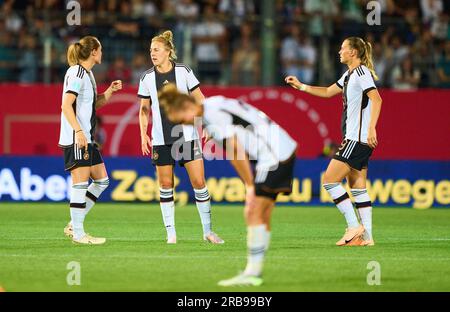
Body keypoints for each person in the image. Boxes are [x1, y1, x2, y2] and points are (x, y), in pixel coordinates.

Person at [158, 84, 298, 287]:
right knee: (262, 213)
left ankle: (252, 272)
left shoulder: (211, 117)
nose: (185, 125)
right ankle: (254, 271)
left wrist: (249, 187)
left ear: (187, 107)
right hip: (282, 146)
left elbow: (235, 152)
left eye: (181, 120)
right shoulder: (212, 103)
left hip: (273, 155)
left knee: (253, 212)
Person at [286, 37, 383, 247]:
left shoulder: (361, 73)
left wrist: (371, 128)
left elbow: (377, 99)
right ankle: (367, 237)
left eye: (343, 48)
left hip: (356, 139)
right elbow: (329, 92)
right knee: (358, 186)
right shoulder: (349, 75)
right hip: (359, 141)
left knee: (329, 180)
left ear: (353, 53)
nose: (339, 51)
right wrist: (301, 86)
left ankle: (353, 227)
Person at [137, 30, 223, 244]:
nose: (152, 54)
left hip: (187, 136)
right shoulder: (146, 78)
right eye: (150, 51)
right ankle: (171, 235)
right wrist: (143, 134)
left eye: (156, 50)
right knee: (166, 185)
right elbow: (144, 110)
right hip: (161, 139)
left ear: (168, 51)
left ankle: (208, 232)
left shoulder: (184, 71)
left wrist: (206, 126)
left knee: (198, 182)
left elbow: (199, 99)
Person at [59, 36, 122, 244]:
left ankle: (73, 225)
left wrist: (110, 92)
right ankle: (78, 234)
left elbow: (92, 105)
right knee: (80, 183)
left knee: (102, 180)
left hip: (86, 138)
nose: (102, 53)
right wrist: (78, 132)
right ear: (94, 51)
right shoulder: (77, 72)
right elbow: (66, 105)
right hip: (78, 137)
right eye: (101, 49)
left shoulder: (88, 74)